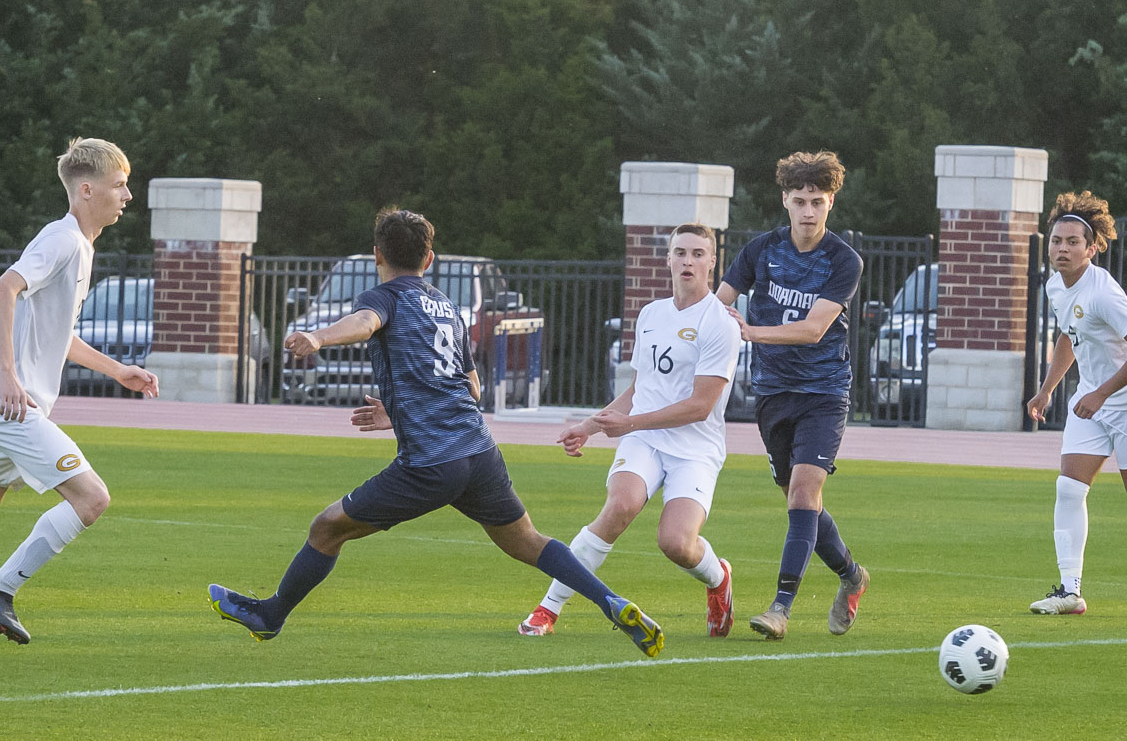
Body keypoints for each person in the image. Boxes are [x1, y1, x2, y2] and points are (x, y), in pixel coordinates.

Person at [208, 208, 664, 657]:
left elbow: (365, 324)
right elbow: (471, 386)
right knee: (530, 542)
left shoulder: (384, 297)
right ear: (429, 260)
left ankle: (272, 616)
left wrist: (319, 337)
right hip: (480, 453)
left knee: (327, 529)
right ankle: (611, 602)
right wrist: (399, 410)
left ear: (376, 256)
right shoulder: (446, 306)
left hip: (430, 463)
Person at [0, 137, 158, 649]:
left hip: (4, 404)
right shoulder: (63, 239)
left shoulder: (80, 245)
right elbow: (1, 290)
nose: (127, 195)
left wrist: (117, 370)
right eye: (119, 185)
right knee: (92, 498)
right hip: (9, 403)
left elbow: (60, 335)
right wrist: (7, 374)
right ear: (86, 188)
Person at [518, 223, 741, 639]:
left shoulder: (720, 324)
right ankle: (548, 609)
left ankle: (718, 578)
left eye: (697, 253)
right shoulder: (652, 314)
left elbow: (700, 406)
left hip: (695, 449)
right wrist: (590, 425)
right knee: (619, 507)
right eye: (680, 252)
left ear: (713, 262)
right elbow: (640, 389)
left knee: (676, 543)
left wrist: (629, 422)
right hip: (645, 439)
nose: (688, 261)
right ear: (668, 259)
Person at [714, 150, 869, 640]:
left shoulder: (843, 260)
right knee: (800, 503)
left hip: (824, 393)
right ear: (785, 200)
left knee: (805, 492)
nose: (808, 211)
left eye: (817, 202)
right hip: (772, 393)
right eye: (799, 200)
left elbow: (814, 329)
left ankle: (780, 608)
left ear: (831, 204)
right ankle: (851, 575)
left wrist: (750, 333)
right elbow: (719, 306)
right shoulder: (761, 250)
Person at [1026, 191, 1126, 615]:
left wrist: (1101, 393)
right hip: (1092, 401)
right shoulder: (1055, 285)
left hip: (1119, 401)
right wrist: (1047, 388)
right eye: (1056, 241)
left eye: (1072, 242)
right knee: (1068, 489)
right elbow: (1069, 335)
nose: (1062, 248)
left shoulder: (1105, 294)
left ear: (1093, 247)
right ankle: (1070, 592)